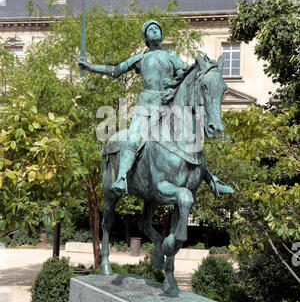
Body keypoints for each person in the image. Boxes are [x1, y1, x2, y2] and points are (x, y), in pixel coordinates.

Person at [79, 20, 233, 196]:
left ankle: (213, 181)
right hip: (146, 106)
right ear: (145, 37)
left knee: (190, 142)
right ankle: (121, 177)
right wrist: (91, 67)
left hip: (168, 106)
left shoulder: (172, 57)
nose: (154, 31)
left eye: (157, 29)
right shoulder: (141, 58)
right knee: (134, 137)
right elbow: (115, 70)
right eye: (150, 30)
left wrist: (176, 81)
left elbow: (182, 76)